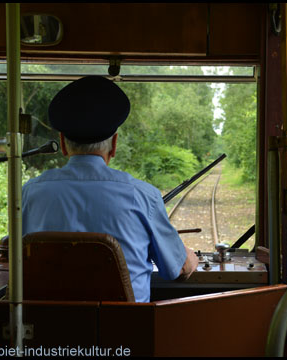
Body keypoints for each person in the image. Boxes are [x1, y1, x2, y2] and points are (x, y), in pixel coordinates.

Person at [21, 75, 198, 302]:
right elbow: (176, 269)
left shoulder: (30, 193)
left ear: (63, 144)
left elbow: (16, 255)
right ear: (114, 145)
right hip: (125, 331)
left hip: (50, 332)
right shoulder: (142, 196)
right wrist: (189, 257)